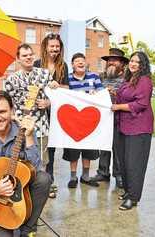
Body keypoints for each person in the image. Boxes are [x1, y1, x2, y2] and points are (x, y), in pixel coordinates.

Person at [0, 90, 51, 237]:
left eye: (2, 111)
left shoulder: (25, 130)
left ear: (12, 110)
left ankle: (28, 229)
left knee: (44, 179)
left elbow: (37, 168)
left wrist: (29, 138)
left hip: (21, 191)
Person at [5, 43, 58, 172]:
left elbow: (55, 96)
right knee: (20, 159)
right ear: (18, 58)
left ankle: (42, 186)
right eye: (24, 55)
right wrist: (13, 118)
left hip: (41, 124)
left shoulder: (44, 74)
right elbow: (7, 103)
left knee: (42, 159)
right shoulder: (11, 79)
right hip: (19, 125)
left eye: (30, 55)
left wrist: (48, 102)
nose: (28, 57)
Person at [111, 51, 154, 210]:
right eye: (132, 61)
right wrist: (114, 94)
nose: (133, 64)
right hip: (124, 126)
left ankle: (134, 198)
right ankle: (129, 191)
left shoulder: (144, 80)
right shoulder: (128, 79)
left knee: (134, 164)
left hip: (139, 128)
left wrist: (118, 107)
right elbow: (125, 96)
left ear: (143, 65)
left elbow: (141, 104)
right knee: (124, 162)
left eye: (137, 62)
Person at [33, 33, 69, 198]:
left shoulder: (63, 66)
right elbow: (32, 86)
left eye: (57, 46)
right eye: (52, 46)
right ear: (45, 47)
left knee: (50, 149)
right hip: (38, 114)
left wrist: (52, 98)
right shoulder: (37, 64)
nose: (54, 49)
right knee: (36, 148)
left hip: (55, 114)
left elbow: (67, 89)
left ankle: (49, 182)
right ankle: (35, 181)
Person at [64, 53, 103, 188]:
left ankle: (85, 176)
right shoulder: (67, 78)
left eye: (82, 61)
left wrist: (96, 94)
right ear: (72, 64)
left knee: (88, 149)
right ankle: (73, 177)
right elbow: (62, 95)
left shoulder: (94, 77)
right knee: (73, 149)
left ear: (86, 63)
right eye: (77, 61)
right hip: (72, 122)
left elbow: (102, 94)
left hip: (90, 120)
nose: (80, 63)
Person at [92, 48, 129, 188]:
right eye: (109, 60)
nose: (111, 62)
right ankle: (103, 172)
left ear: (122, 63)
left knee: (118, 148)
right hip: (103, 118)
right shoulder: (101, 77)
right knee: (104, 147)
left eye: (114, 60)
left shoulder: (127, 79)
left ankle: (118, 175)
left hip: (120, 118)